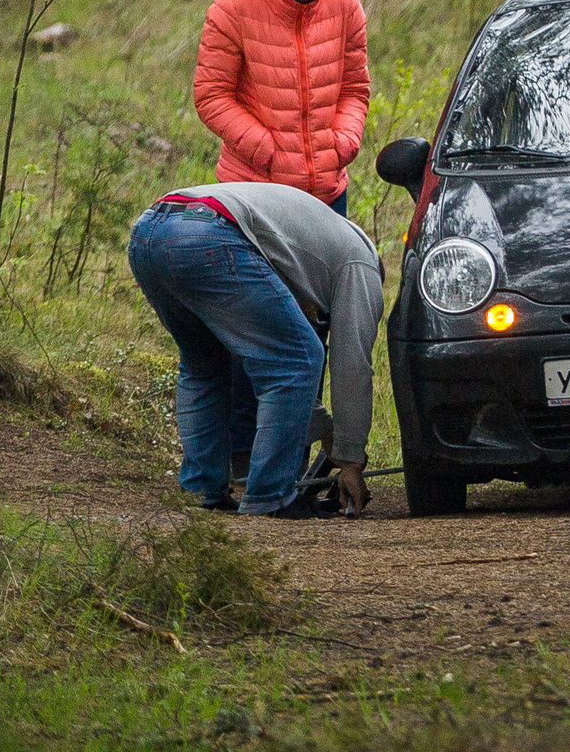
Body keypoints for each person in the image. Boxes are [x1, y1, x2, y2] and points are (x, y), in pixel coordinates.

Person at [126, 181, 383, 518]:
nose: (314, 314)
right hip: (209, 233)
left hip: (150, 230)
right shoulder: (360, 266)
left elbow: (276, 375)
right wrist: (351, 460)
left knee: (205, 364)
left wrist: (330, 434)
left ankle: (203, 491)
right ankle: (271, 497)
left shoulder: (305, 241)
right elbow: (352, 366)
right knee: (299, 358)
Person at [194, 0, 371, 217]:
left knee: (328, 271)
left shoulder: (345, 5)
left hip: (328, 192)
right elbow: (212, 96)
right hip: (254, 191)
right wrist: (265, 149)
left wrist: (342, 143)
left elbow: (355, 90)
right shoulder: (232, 8)